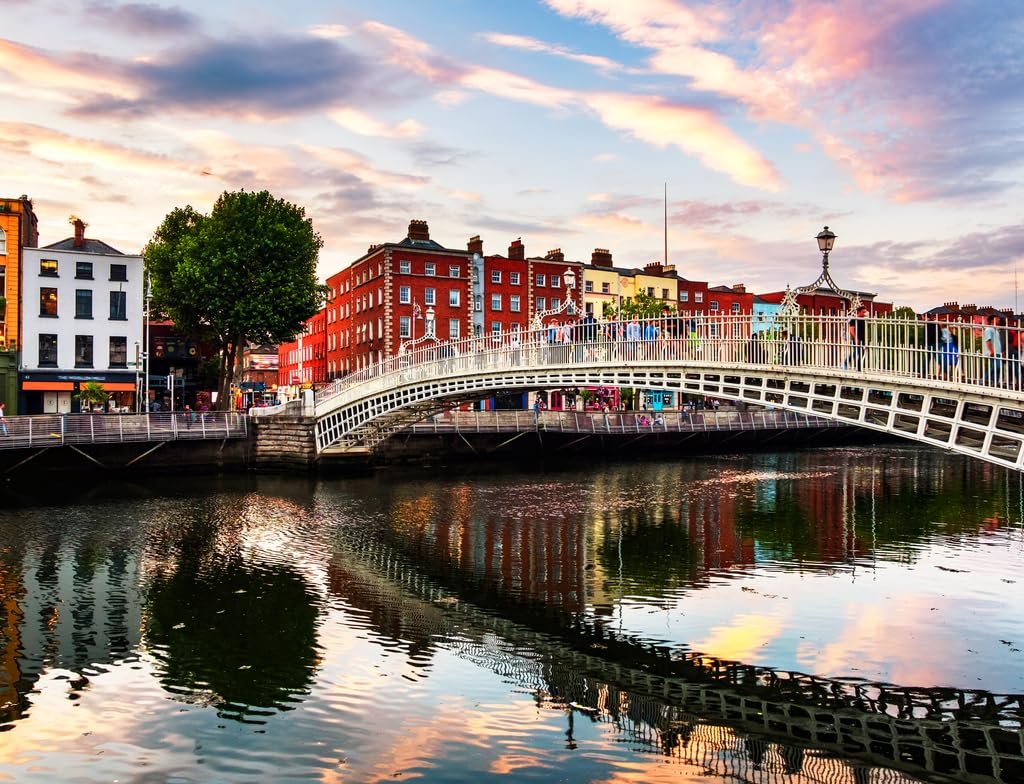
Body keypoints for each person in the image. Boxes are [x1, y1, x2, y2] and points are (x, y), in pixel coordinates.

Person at [844, 305, 867, 370]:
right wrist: (856, 338)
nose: (864, 313)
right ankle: (849, 364)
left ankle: (858, 367)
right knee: (857, 353)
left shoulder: (863, 320)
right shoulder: (854, 320)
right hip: (856, 340)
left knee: (860, 354)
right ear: (859, 312)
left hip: (862, 339)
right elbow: (851, 330)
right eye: (863, 312)